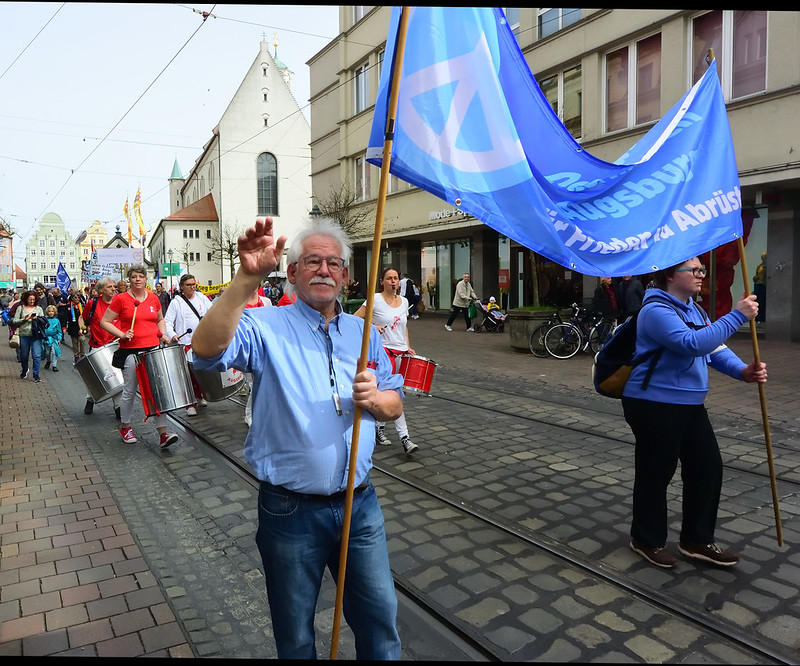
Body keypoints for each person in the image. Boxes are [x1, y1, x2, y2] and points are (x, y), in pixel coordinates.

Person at [191, 216, 403, 660]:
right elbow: (205, 353)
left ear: (346, 275)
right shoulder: (265, 326)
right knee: (296, 638)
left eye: (333, 263)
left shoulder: (363, 333)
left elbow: (394, 405)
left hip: (359, 506)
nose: (324, 270)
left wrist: (376, 399)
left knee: (380, 626)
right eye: (312, 261)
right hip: (289, 511)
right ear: (291, 272)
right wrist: (246, 280)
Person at [622, 257, 766, 569]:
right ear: (671, 276)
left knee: (707, 467)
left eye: (702, 269)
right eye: (695, 270)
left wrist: (743, 371)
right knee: (656, 471)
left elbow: (714, 349)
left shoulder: (694, 309)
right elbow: (692, 343)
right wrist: (736, 316)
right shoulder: (655, 310)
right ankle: (646, 538)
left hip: (688, 403)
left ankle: (697, 539)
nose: (702, 275)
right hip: (653, 402)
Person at [99, 264, 179, 449]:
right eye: (134, 276)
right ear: (129, 279)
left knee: (157, 391)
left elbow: (159, 319)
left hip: (153, 348)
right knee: (130, 390)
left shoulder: (153, 299)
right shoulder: (121, 299)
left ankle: (162, 434)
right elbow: (105, 322)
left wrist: (163, 334)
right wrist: (121, 334)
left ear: (145, 279)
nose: (137, 279)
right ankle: (125, 427)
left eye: (141, 276)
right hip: (130, 351)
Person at [354, 267, 418, 455]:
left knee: (388, 394)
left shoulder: (404, 302)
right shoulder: (375, 300)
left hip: (401, 352)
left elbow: (403, 327)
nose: (393, 281)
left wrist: (408, 345)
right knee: (396, 394)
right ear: (381, 281)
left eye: (396, 278)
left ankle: (379, 428)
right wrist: (374, 326)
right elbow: (356, 319)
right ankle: (405, 438)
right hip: (383, 353)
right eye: (389, 278)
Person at [164, 273, 212, 417]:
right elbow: (167, 322)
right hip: (185, 343)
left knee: (201, 372)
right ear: (181, 287)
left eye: (193, 284)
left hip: (202, 341)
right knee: (187, 375)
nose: (192, 287)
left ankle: (200, 395)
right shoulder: (176, 302)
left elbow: (212, 313)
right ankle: (190, 403)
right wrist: (173, 335)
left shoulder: (202, 298)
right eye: (188, 285)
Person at [79, 276, 122, 417]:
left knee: (117, 377)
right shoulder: (93, 303)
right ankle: (90, 399)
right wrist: (82, 328)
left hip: (115, 346)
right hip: (97, 346)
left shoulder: (119, 302)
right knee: (97, 377)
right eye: (110, 287)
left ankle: (118, 408)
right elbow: (82, 318)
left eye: (114, 286)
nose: (113, 289)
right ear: (101, 289)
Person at [242, 286, 273, 426]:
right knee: (252, 383)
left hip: (264, 345)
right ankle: (249, 414)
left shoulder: (266, 302)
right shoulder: (240, 303)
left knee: (261, 382)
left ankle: (259, 412)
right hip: (248, 347)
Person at [13, 290, 45, 383]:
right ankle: (25, 369)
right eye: (30, 299)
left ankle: (36, 375)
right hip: (24, 335)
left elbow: (43, 320)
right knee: (24, 356)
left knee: (36, 356)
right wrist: (25, 319)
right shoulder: (20, 308)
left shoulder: (39, 309)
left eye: (33, 299)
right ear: (26, 299)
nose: (31, 301)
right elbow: (15, 321)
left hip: (36, 335)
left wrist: (37, 318)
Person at [65, 291, 88, 362]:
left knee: (82, 340)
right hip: (73, 326)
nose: (77, 299)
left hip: (81, 326)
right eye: (75, 297)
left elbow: (86, 317)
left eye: (79, 297)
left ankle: (82, 354)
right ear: (72, 298)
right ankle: (76, 355)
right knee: (75, 343)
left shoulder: (82, 306)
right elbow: (66, 317)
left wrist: (86, 326)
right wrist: (64, 326)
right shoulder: (68, 306)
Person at [42, 304, 63, 372]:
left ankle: (54, 365)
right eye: (50, 311)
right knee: (47, 352)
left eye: (52, 311)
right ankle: (48, 361)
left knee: (54, 352)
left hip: (54, 338)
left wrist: (59, 338)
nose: (51, 313)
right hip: (46, 339)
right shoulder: (45, 319)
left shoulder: (56, 320)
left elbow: (59, 331)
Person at [753, 252, 766, 323]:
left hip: (764, 286)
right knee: (758, 302)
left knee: (763, 302)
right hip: (758, 285)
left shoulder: (767, 267)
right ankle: (758, 318)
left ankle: (762, 319)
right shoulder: (759, 267)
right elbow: (756, 276)